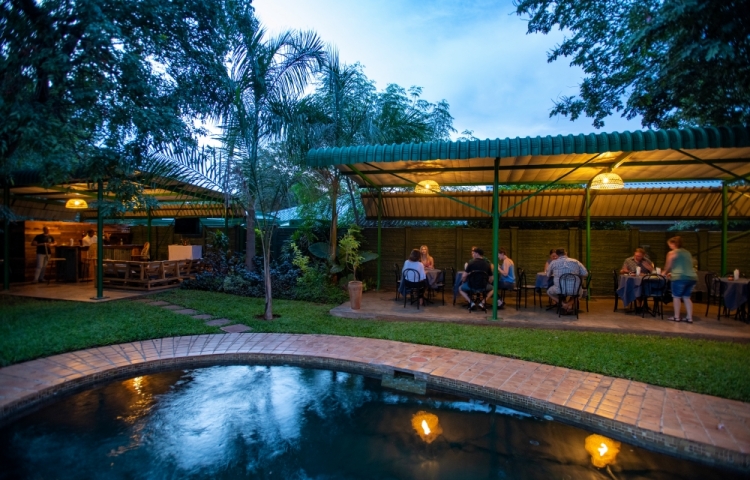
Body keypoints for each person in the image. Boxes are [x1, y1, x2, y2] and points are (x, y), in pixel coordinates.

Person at [663, 236, 697, 323]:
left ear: (674, 244)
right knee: (686, 297)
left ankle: (676, 317)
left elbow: (668, 266)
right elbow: (685, 266)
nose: (669, 246)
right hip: (692, 277)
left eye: (670, 244)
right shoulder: (687, 252)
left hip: (679, 278)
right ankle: (689, 318)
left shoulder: (672, 253)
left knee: (676, 297)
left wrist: (664, 273)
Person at [547, 247, 588, 313]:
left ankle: (564, 304)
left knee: (549, 292)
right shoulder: (576, 262)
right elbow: (585, 273)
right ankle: (568, 305)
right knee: (578, 293)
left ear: (557, 255)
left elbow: (548, 275)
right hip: (575, 289)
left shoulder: (553, 263)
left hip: (559, 289)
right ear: (566, 253)